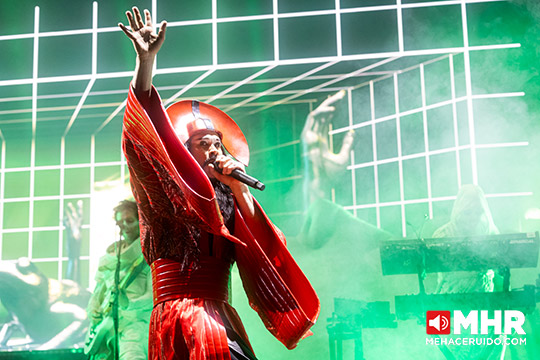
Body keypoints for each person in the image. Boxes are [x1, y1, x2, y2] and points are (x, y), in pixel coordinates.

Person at [118, 7, 319, 360]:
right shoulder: (163, 193)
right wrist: (145, 62)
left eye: (217, 144)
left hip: (218, 313)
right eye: (202, 145)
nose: (213, 151)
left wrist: (238, 186)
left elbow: (267, 246)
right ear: (184, 153)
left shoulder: (229, 200)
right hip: (180, 315)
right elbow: (139, 142)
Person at [431, 184, 504, 360]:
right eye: (467, 212)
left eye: (478, 211)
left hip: (485, 308)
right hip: (448, 308)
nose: (473, 217)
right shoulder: (443, 234)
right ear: (458, 211)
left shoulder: (490, 232)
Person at [85, 200, 153, 360]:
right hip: (105, 327)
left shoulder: (150, 256)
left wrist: (127, 303)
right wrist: (93, 309)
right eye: (120, 222)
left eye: (129, 221)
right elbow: (98, 292)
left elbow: (152, 298)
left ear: (141, 221)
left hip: (135, 326)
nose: (124, 226)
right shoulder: (110, 258)